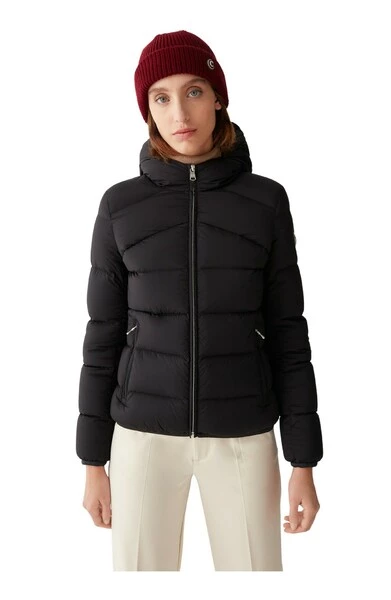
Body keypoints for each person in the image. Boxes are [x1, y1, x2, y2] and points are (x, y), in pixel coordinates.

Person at [76, 29, 323, 571]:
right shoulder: (120, 207)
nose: (179, 112)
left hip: (243, 432)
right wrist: (93, 460)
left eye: (193, 91)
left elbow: (289, 330)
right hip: (142, 437)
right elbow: (102, 335)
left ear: (217, 98)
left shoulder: (265, 202)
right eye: (161, 97)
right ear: (147, 111)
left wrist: (303, 461)